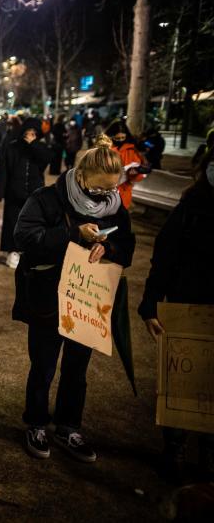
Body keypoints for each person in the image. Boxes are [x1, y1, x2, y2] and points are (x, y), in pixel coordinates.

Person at [13, 144, 135, 463]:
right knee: (43, 365)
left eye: (110, 188)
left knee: (77, 368)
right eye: (97, 186)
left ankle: (69, 426)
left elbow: (127, 245)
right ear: (79, 175)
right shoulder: (46, 198)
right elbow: (24, 237)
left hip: (88, 299)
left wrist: (107, 250)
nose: (102, 194)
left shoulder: (114, 205)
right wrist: (71, 233)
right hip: (49, 298)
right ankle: (36, 423)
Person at [138, 148, 214, 484]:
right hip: (187, 305)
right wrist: (151, 301)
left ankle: (208, 455)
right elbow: (165, 255)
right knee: (183, 382)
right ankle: (175, 448)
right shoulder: (191, 208)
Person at [0, 118, 52, 269]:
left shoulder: (41, 148)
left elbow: (46, 159)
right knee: (12, 223)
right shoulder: (12, 147)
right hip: (14, 193)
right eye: (28, 133)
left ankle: (30, 250)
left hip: (34, 194)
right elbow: (3, 170)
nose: (30, 136)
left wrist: (33, 145)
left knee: (33, 224)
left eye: (34, 134)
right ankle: (12, 251)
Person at [104, 121, 145, 209]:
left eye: (123, 138)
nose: (120, 140)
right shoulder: (104, 150)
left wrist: (135, 173)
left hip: (123, 192)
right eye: (117, 138)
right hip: (104, 191)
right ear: (111, 137)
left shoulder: (131, 150)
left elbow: (139, 175)